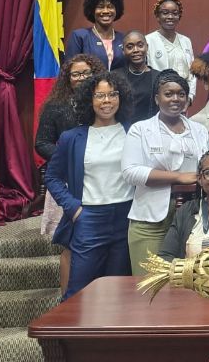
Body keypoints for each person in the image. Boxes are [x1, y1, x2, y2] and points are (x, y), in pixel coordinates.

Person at [45, 70, 134, 300]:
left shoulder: (133, 132)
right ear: (89, 100)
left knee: (117, 290)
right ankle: (70, 336)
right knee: (79, 290)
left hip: (126, 216)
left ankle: (107, 335)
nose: (107, 101)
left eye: (112, 94)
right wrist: (73, 208)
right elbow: (52, 177)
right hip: (89, 217)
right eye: (99, 96)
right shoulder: (72, 137)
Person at [121, 70, 209, 276]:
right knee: (150, 284)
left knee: (190, 283)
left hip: (193, 217)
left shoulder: (199, 130)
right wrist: (178, 178)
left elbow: (208, 166)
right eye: (168, 94)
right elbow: (130, 172)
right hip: (150, 220)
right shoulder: (140, 129)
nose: (175, 99)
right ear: (157, 98)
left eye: (181, 94)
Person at [35, 53, 105, 293]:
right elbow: (41, 142)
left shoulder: (103, 102)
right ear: (67, 78)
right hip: (67, 180)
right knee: (70, 243)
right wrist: (68, 159)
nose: (81, 77)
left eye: (86, 72)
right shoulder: (56, 105)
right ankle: (67, 299)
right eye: (75, 74)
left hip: (99, 182)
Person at [145, 0, 197, 96]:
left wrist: (190, 97)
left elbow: (192, 74)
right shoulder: (148, 40)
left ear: (179, 16)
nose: (170, 17)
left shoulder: (186, 41)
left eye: (175, 13)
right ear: (157, 16)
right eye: (165, 13)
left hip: (183, 96)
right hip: (160, 96)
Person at [65, 0, 126, 70]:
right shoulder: (80, 36)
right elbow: (70, 69)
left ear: (116, 10)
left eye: (110, 7)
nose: (105, 11)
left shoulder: (123, 38)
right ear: (92, 10)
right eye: (100, 7)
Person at [116, 30, 157, 122]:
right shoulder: (115, 77)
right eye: (130, 47)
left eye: (140, 45)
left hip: (150, 130)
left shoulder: (158, 77)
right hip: (123, 130)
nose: (136, 50)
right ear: (123, 51)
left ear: (147, 47)